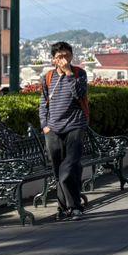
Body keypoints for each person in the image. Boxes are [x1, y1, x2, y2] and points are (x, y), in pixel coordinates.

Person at [38, 40, 90, 220]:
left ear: (72, 56)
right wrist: (45, 125)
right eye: (60, 56)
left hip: (75, 126)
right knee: (60, 168)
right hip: (53, 129)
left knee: (68, 167)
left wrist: (68, 74)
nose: (64, 59)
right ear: (53, 59)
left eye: (67, 55)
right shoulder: (48, 77)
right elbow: (43, 103)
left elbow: (79, 94)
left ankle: (74, 207)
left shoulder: (79, 73)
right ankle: (65, 208)